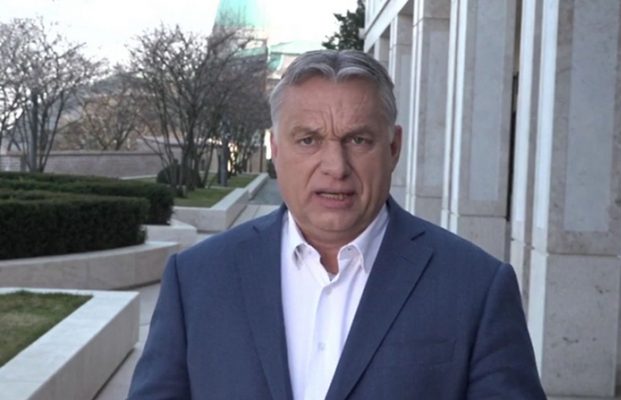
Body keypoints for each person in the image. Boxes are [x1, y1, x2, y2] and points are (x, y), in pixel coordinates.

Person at [128, 49, 546, 399]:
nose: (335, 166)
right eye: (308, 140)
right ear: (275, 149)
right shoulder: (196, 279)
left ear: (393, 147)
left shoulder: (476, 287)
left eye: (358, 140)